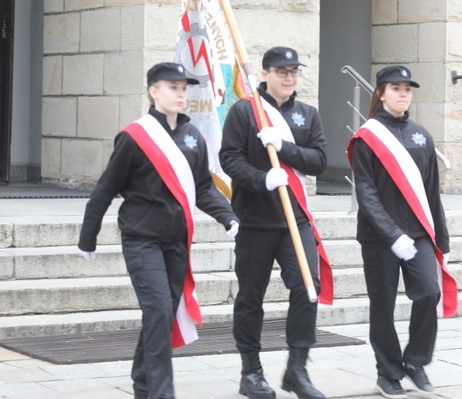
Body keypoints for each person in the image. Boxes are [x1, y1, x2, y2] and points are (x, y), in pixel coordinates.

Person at [78, 62, 240, 399]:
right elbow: (105, 189)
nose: (180, 94)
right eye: (172, 88)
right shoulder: (135, 136)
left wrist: (228, 217)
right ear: (153, 91)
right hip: (142, 239)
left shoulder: (193, 136)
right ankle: (161, 393)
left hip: (177, 240)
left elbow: (203, 188)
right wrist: (87, 237)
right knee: (158, 310)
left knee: (162, 315)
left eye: (183, 88)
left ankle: (143, 384)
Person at [219, 46, 333, 399]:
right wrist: (261, 179)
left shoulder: (307, 114)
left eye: (294, 71)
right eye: (281, 71)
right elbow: (229, 159)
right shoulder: (245, 112)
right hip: (255, 219)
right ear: (265, 74)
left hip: (294, 219)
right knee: (251, 297)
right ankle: (250, 372)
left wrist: (283, 147)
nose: (288, 77)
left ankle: (297, 371)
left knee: (307, 288)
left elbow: (318, 161)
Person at [347, 65, 457, 399]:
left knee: (428, 293)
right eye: (396, 88)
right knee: (382, 307)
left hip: (419, 234)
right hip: (380, 237)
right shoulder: (368, 137)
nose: (403, 94)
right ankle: (388, 373)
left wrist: (442, 238)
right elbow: (365, 194)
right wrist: (392, 234)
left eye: (407, 89)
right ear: (381, 93)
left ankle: (415, 361)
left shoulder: (422, 135)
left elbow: (431, 192)